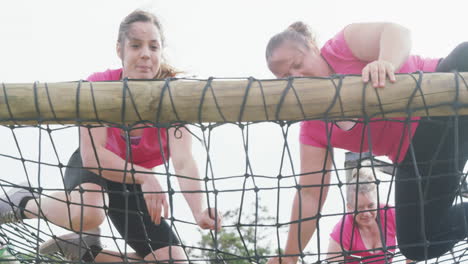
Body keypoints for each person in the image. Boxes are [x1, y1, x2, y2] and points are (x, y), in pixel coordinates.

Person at [0, 10, 222, 263]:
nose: (146, 54)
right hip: (95, 170)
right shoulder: (99, 85)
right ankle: (23, 201)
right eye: (136, 46)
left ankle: (86, 252)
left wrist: (199, 212)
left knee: (173, 261)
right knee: (90, 213)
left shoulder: (173, 97)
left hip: (132, 186)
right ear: (120, 50)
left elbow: (184, 161)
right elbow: (92, 155)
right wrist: (146, 175)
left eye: (153, 46)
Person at [265, 22, 468, 263]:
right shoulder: (312, 126)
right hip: (420, 157)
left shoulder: (342, 46)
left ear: (312, 47)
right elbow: (310, 194)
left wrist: (386, 62)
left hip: (442, 99)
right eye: (286, 77)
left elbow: (397, 32)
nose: (296, 76)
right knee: (417, 243)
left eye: (297, 65)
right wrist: (290, 256)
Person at [326, 167, 410, 263]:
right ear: (349, 207)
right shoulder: (343, 229)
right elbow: (331, 261)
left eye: (370, 206)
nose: (366, 213)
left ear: (377, 201)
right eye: (360, 208)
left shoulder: (389, 214)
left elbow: (413, 242)